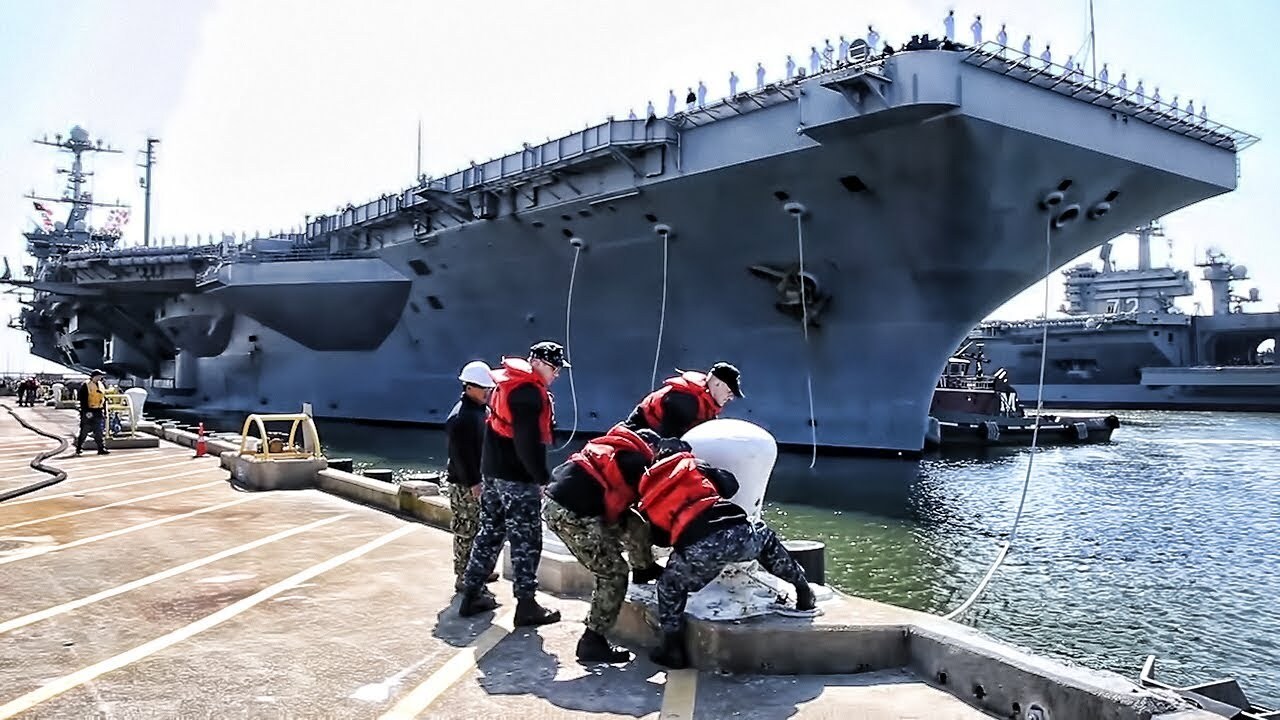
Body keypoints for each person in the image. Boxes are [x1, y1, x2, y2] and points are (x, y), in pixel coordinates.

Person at [638, 443, 814, 668]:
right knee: (766, 540)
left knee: (669, 585)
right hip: (737, 534)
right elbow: (731, 485)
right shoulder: (693, 466)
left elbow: (660, 538)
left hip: (698, 550)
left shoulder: (648, 493)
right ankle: (803, 590)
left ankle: (672, 648)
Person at [457, 342, 568, 626]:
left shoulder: (503, 385)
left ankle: (472, 592)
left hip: (492, 471)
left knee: (489, 531)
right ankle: (527, 604)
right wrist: (541, 477)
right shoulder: (529, 393)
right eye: (555, 369)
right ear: (541, 364)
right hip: (517, 477)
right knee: (527, 539)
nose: (556, 375)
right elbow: (526, 441)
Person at [543, 424, 665, 662]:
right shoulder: (638, 463)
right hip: (571, 515)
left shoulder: (615, 448)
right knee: (614, 573)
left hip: (570, 503)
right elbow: (654, 507)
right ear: (651, 448)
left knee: (635, 524)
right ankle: (593, 640)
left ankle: (643, 569)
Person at [445, 361, 499, 595]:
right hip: (465, 483)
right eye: (484, 388)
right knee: (466, 529)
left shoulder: (480, 412)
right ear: (469, 387)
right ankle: (463, 575)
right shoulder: (461, 417)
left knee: (481, 528)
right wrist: (474, 483)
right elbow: (461, 456)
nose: (488, 392)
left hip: (481, 479)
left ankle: (479, 570)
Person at [624, 362, 743, 440]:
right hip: (637, 431)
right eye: (729, 392)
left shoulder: (708, 406)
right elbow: (669, 439)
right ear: (717, 384)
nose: (731, 398)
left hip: (659, 435)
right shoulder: (685, 400)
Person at [75, 370, 109, 456]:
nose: (100, 378)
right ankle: (79, 447)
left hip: (98, 410)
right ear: (94, 376)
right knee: (85, 430)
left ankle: (101, 448)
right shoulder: (85, 385)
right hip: (88, 411)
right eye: (99, 376)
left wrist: (105, 411)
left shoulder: (101, 385)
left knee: (99, 430)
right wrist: (85, 411)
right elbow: (82, 399)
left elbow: (104, 399)